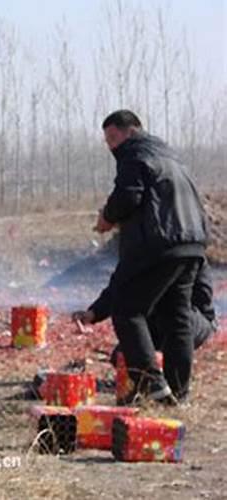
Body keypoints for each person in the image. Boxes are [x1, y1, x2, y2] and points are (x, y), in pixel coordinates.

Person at [91, 110, 209, 405]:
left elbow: (129, 195)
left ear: (131, 132)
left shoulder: (135, 153)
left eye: (114, 138)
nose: (111, 147)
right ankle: (179, 394)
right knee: (176, 316)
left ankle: (153, 384)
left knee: (128, 310)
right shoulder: (171, 156)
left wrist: (107, 217)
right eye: (107, 141)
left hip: (159, 243)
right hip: (192, 242)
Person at [74, 259, 218, 366]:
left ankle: (174, 375)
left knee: (177, 324)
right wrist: (93, 313)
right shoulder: (140, 254)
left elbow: (203, 300)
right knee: (122, 357)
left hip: (189, 318)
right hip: (153, 321)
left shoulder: (186, 254)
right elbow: (118, 288)